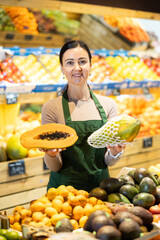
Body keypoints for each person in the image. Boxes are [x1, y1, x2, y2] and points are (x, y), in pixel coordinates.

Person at [41, 40, 125, 192]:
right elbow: (56, 166)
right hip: (63, 195)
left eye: (82, 62)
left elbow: (108, 162)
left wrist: (115, 152)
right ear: (62, 68)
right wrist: (51, 155)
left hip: (101, 192)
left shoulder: (108, 105)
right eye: (70, 62)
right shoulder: (51, 108)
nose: (77, 68)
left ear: (91, 66)